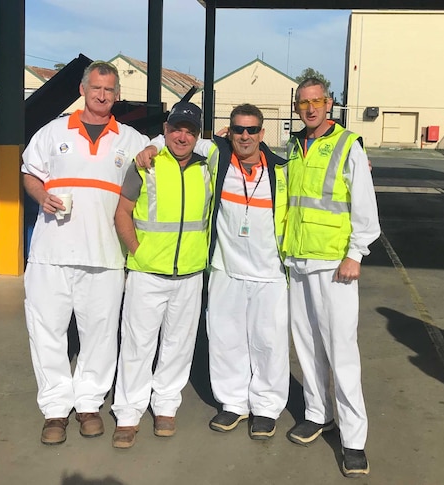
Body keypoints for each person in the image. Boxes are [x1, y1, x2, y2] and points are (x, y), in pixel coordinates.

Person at [136, 103, 290, 440]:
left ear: (262, 134)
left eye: (251, 130)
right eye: (238, 130)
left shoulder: (282, 170)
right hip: (226, 268)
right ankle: (233, 403)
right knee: (225, 339)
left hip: (269, 273)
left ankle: (266, 407)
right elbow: (178, 138)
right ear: (229, 132)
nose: (245, 136)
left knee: (269, 342)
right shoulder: (218, 156)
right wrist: (150, 146)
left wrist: (361, 165)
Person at [21, 61, 149, 445]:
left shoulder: (130, 139)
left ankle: (89, 403)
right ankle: (56, 410)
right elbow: (30, 173)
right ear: (82, 89)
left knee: (100, 334)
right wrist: (41, 194)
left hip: (106, 255)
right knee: (47, 332)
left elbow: (171, 148)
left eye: (110, 90)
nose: (102, 95)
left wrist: (222, 139)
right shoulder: (53, 131)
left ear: (118, 95)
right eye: (96, 88)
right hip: (51, 253)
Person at [283, 78, 380, 477]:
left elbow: (365, 207)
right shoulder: (293, 147)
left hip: (336, 267)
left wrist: (355, 253)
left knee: (341, 352)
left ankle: (353, 439)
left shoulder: (348, 146)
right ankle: (318, 413)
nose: (310, 108)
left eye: (317, 101)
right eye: (303, 102)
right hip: (298, 260)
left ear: (330, 103)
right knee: (306, 346)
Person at [111, 101, 218, 449]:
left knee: (178, 345)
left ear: (198, 135)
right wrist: (136, 251)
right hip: (147, 273)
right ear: (167, 129)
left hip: (189, 274)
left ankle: (166, 407)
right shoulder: (146, 164)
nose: (182, 136)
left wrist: (156, 140)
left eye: (190, 130)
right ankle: (128, 414)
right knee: (137, 344)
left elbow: (235, 149)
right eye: (176, 129)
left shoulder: (209, 167)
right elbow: (123, 212)